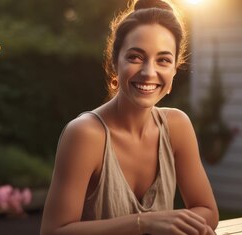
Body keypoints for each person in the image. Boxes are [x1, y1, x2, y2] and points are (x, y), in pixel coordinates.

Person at [40, 0, 218, 234]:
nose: (149, 72)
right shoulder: (85, 134)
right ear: (115, 62)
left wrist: (173, 222)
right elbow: (52, 232)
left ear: (174, 69)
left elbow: (208, 211)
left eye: (163, 60)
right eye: (135, 57)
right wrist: (143, 223)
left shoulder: (177, 126)